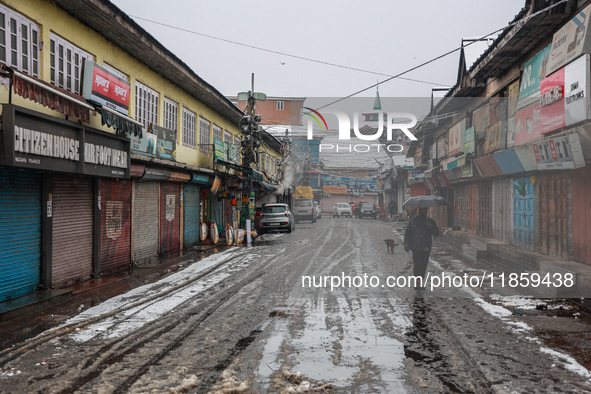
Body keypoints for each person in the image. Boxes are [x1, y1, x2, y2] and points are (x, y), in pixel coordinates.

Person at [403, 207, 439, 289]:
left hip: (426, 247)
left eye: (424, 210)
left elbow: (436, 233)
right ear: (419, 211)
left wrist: (430, 227)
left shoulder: (430, 221)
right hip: (416, 247)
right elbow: (408, 232)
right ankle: (418, 283)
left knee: (423, 265)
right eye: (421, 210)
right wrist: (406, 243)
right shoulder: (414, 221)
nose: (423, 211)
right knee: (417, 265)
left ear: (426, 211)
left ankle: (420, 280)